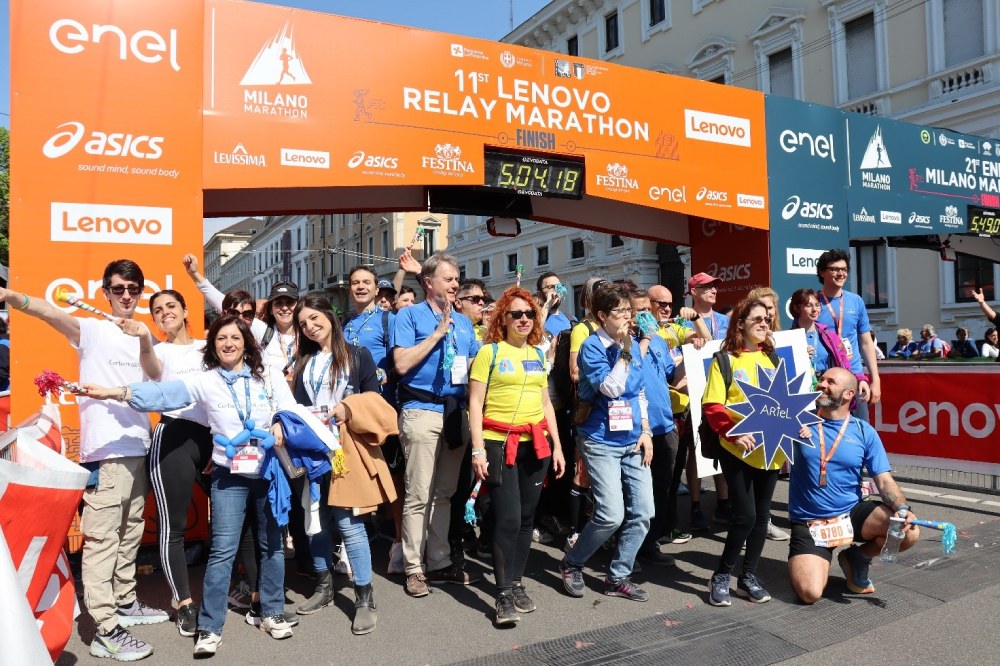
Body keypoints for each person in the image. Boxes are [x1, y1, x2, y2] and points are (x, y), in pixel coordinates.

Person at [84, 315, 298, 656]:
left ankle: (270, 613)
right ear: (212, 346)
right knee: (222, 551)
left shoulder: (269, 375)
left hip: (269, 473)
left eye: (234, 337)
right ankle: (210, 626)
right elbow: (165, 394)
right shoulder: (206, 380)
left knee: (272, 546)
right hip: (230, 478)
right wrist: (117, 392)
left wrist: (280, 426)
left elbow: (288, 410)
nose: (228, 343)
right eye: (220, 339)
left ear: (246, 342)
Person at [0, 262, 168, 662]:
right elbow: (50, 312)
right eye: (118, 288)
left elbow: (157, 376)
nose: (126, 295)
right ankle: (104, 628)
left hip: (137, 446)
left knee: (129, 534)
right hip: (105, 451)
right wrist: (12, 298)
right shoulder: (91, 330)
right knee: (103, 540)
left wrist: (144, 339)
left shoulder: (144, 334)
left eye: (133, 288)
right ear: (106, 292)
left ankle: (125, 601)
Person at [468, 286, 566, 625]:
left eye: (529, 314)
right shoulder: (490, 353)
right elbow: (474, 405)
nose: (524, 319)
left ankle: (517, 583)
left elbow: (545, 404)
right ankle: (503, 593)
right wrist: (478, 449)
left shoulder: (538, 355)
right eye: (516, 314)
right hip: (497, 444)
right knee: (507, 519)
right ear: (503, 318)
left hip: (535, 444)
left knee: (526, 519)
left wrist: (557, 446)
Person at [289, 294, 384, 634]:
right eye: (303, 324)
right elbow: (297, 406)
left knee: (348, 524)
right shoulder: (302, 361)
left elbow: (375, 400)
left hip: (345, 452)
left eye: (315, 319)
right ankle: (324, 584)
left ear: (330, 316)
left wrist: (349, 408)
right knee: (315, 520)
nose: (310, 327)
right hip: (312, 452)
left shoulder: (358, 356)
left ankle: (364, 597)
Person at [117, 290, 210, 638]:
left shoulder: (209, 346)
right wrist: (144, 338)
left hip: (215, 437)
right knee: (175, 524)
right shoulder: (158, 351)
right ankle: (183, 602)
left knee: (237, 519)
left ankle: (251, 590)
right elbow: (153, 370)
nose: (165, 313)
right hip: (172, 438)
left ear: (186, 310)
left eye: (171, 306)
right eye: (157, 310)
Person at [787, 367, 920, 603]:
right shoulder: (797, 421)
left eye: (830, 382)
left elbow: (884, 479)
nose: (822, 384)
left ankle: (857, 557)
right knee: (810, 593)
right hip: (810, 520)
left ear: (849, 394)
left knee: (908, 532)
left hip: (850, 513)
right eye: (821, 380)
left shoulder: (863, 431)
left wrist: (902, 508)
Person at [559, 283, 654, 603]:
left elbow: (638, 392)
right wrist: (627, 352)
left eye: (630, 311)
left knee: (643, 513)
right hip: (599, 440)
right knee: (611, 514)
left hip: (632, 439)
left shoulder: (629, 344)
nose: (628, 317)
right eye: (621, 312)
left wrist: (646, 431)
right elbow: (611, 389)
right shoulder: (592, 347)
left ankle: (618, 575)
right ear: (602, 315)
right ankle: (573, 562)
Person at [392, 252, 480, 597]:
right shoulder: (409, 315)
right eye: (449, 279)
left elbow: (472, 364)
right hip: (421, 410)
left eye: (457, 279)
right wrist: (436, 334)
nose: (456, 285)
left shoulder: (464, 322)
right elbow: (400, 364)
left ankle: (440, 561)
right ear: (428, 282)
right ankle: (413, 567)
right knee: (418, 494)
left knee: (444, 493)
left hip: (455, 412)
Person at [704, 298, 784, 607]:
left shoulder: (773, 359)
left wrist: (798, 425)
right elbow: (712, 406)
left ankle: (747, 576)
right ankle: (721, 575)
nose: (765, 324)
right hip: (737, 449)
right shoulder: (725, 360)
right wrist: (733, 432)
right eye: (757, 320)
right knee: (746, 516)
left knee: (762, 517)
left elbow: (783, 404)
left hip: (771, 450)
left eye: (767, 319)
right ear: (740, 325)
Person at [342, 265, 405, 574]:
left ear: (376, 289)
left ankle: (399, 543)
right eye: (356, 282)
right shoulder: (344, 324)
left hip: (381, 411)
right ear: (349, 288)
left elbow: (401, 360)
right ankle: (355, 543)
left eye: (366, 282)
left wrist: (385, 373)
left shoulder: (387, 319)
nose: (361, 287)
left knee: (391, 480)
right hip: (351, 414)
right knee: (356, 477)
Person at [184, 255, 299, 379]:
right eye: (278, 303)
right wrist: (194, 274)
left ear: (298, 305)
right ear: (271, 309)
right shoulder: (266, 332)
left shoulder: (309, 331)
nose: (284, 308)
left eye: (289, 302)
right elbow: (225, 304)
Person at [630, 289, 680, 566]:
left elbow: (673, 375)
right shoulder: (624, 342)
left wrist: (695, 358)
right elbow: (631, 370)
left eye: (647, 311)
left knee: (661, 490)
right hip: (637, 429)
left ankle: (650, 544)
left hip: (665, 425)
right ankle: (628, 549)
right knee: (636, 493)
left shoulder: (660, 341)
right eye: (639, 311)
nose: (645, 317)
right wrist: (646, 338)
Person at [648, 285, 702, 538]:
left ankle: (667, 526)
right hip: (649, 417)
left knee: (670, 477)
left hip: (676, 414)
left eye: (669, 304)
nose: (666, 308)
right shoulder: (639, 334)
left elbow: (704, 341)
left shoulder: (672, 329)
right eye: (661, 303)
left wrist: (697, 319)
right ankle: (650, 531)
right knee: (651, 481)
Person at [685, 272, 732, 526]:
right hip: (694, 391)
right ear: (694, 292)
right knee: (696, 449)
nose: (713, 290)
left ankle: (723, 503)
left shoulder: (725, 320)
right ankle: (694, 506)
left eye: (715, 286)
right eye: (706, 287)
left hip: (722, 391)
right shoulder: (683, 320)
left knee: (723, 443)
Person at [814, 249, 881, 420]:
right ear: (822, 272)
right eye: (835, 269)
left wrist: (875, 379)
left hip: (854, 377)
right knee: (823, 432)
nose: (841, 273)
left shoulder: (856, 301)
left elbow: (866, 342)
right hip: (823, 380)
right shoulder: (812, 302)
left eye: (844, 269)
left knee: (858, 430)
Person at [537, 271, 573, 338]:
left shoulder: (571, 319)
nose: (557, 290)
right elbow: (535, 333)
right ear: (540, 295)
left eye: (559, 286)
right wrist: (547, 306)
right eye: (551, 287)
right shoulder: (531, 319)